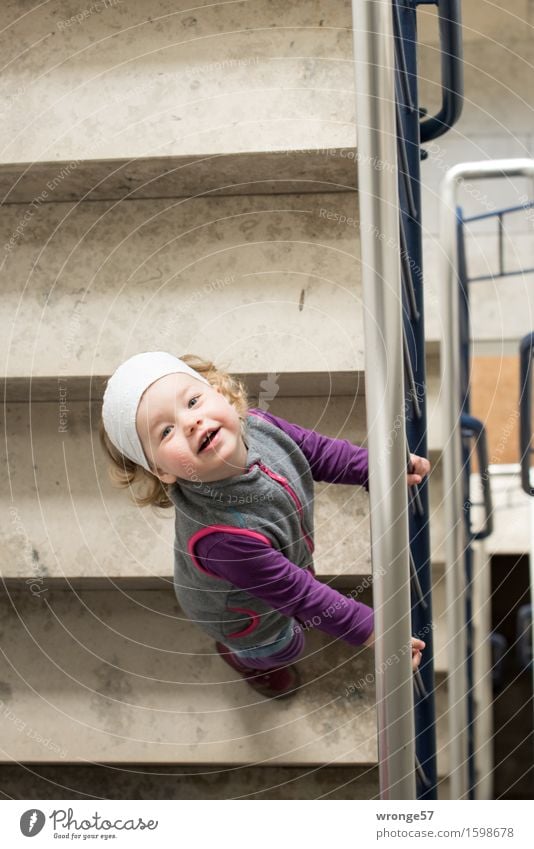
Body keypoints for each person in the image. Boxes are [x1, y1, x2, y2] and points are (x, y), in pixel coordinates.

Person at [100, 351, 430, 700]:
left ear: (222, 395)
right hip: (239, 615)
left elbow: (316, 452)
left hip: (280, 556)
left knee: (294, 591)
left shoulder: (260, 427)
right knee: (285, 647)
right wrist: (379, 631)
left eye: (193, 401)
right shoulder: (220, 537)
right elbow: (299, 592)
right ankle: (243, 658)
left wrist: (374, 467)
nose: (190, 422)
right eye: (166, 431)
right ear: (162, 471)